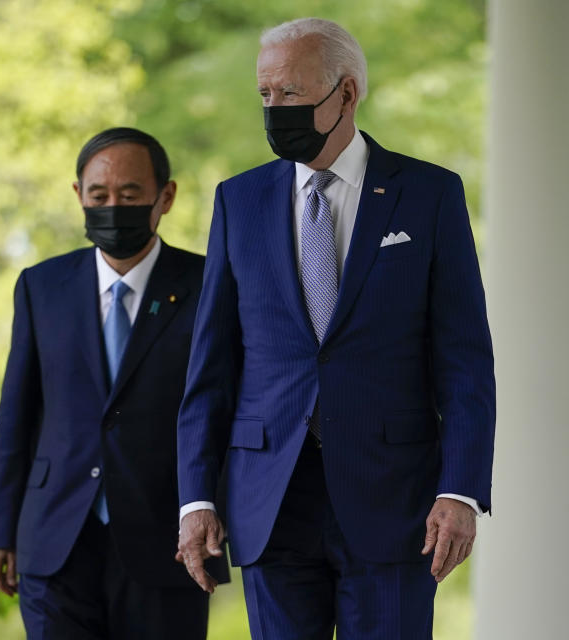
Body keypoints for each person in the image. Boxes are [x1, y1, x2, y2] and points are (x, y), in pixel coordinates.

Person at [176, 18, 495, 639]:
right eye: (265, 95)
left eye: (291, 94)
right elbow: (210, 365)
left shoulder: (429, 195)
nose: (275, 110)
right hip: (269, 499)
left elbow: (464, 360)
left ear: (346, 95)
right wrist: (196, 498)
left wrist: (461, 489)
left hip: (395, 501)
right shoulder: (236, 201)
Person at [0, 127, 228, 640]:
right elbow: (17, 414)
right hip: (54, 536)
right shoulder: (40, 287)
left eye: (131, 194)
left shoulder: (211, 286)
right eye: (99, 196)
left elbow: (227, 406)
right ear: (79, 196)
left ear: (166, 196)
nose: (113, 206)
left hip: (169, 541)